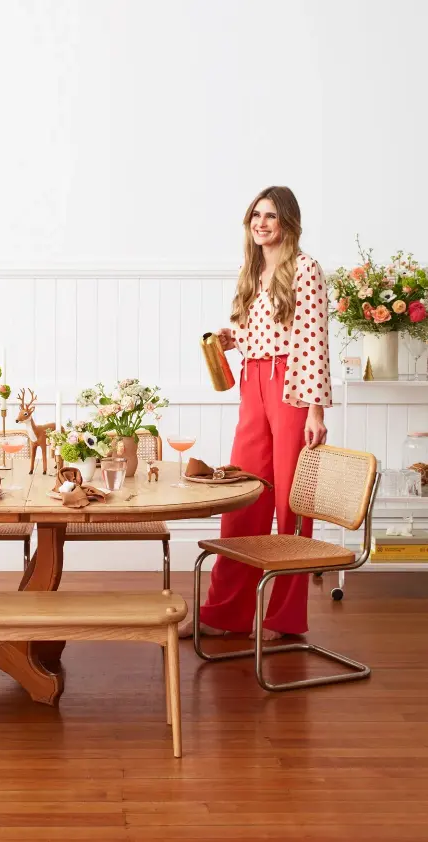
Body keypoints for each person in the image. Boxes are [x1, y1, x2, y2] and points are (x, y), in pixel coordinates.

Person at [179, 186, 331, 641]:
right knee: (244, 494)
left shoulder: (305, 269)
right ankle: (224, 613)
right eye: (255, 216)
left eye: (271, 216)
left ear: (288, 222)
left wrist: (314, 411)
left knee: (290, 502)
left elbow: (313, 341)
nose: (261, 223)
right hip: (253, 383)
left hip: (292, 386)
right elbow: (259, 331)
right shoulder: (252, 271)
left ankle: (285, 618)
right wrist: (234, 338)